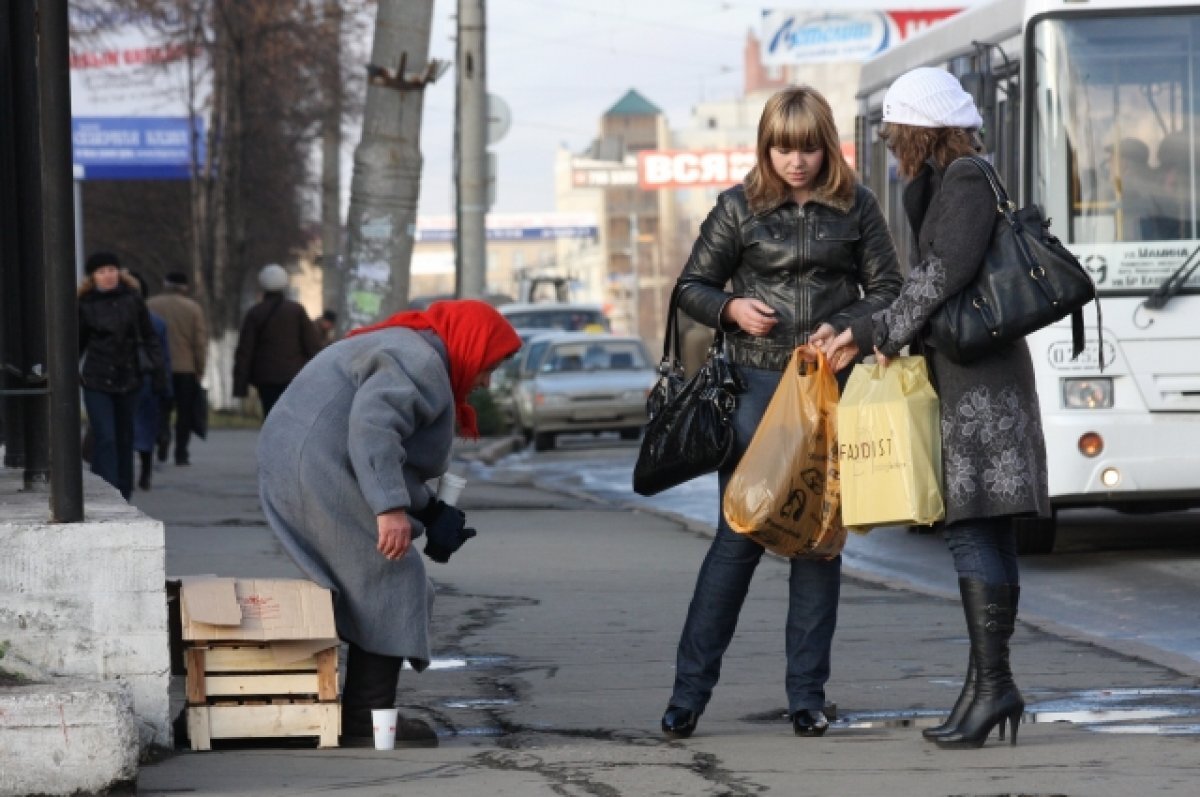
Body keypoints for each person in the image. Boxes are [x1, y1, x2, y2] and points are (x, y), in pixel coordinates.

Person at [660, 86, 903, 741]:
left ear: (828, 145)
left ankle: (807, 698)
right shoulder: (738, 208)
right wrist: (731, 309)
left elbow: (888, 291)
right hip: (755, 392)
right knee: (736, 539)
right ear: (766, 147)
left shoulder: (857, 207)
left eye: (808, 147)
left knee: (818, 543)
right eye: (783, 147)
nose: (796, 160)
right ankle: (686, 696)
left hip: (829, 392)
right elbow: (690, 286)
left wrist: (846, 325)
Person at [823, 67, 1050, 749]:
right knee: (979, 527)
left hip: (981, 386)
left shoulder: (967, 181)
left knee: (971, 525)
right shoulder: (954, 182)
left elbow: (939, 274)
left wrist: (874, 333)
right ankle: (988, 685)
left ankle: (992, 686)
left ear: (921, 130)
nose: (894, 146)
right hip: (970, 377)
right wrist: (868, 331)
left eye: (898, 135)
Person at [257, 299, 521, 746]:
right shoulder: (419, 362)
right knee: (390, 577)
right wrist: (390, 510)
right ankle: (365, 720)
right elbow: (372, 431)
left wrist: (431, 512)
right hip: (316, 467)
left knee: (378, 578)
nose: (485, 381)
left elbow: (388, 455)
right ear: (471, 346)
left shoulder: (416, 352)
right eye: (487, 366)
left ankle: (360, 712)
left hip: (306, 460)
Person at [78, 251, 165, 500]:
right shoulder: (85, 305)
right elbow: (76, 343)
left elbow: (149, 337)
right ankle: (106, 490)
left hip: (129, 379)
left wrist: (158, 372)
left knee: (125, 438)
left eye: (112, 270)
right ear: (93, 277)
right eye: (102, 271)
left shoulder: (133, 300)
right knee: (105, 436)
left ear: (120, 272)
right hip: (96, 379)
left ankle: (123, 493)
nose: (108, 275)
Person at [232, 263, 324, 418]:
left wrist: (240, 386)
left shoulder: (255, 313)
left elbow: (245, 351)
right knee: (291, 417)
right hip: (292, 375)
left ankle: (272, 440)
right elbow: (312, 345)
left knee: (270, 416)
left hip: (265, 377)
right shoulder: (296, 311)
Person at [146, 271, 208, 466]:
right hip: (185, 367)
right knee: (185, 412)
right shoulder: (192, 308)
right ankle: (181, 453)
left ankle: (162, 437)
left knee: (161, 409)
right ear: (185, 287)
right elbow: (199, 342)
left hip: (158, 366)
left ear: (165, 284)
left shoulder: (150, 305)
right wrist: (200, 367)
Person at [128, 271, 172, 490]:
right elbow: (164, 357)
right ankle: (145, 472)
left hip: (135, 380)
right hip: (147, 380)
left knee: (131, 428)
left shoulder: (152, 322)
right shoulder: (157, 322)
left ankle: (134, 473)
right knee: (145, 429)